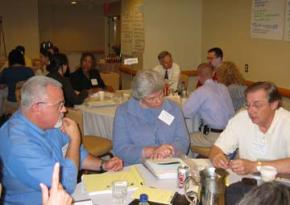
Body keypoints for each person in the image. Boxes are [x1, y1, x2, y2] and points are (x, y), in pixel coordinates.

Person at [0, 76, 123, 205]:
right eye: (60, 105)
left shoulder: (50, 124)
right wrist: (75, 139)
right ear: (37, 107)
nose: (64, 110)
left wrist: (102, 165)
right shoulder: (17, 144)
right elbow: (66, 184)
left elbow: (75, 154)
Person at [210, 82, 290, 175]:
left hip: (281, 184)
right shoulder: (241, 119)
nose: (250, 111)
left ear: (273, 104)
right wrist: (217, 157)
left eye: (257, 105)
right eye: (248, 105)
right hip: (248, 182)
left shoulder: (286, 122)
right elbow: (216, 149)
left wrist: (255, 166)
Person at [113, 70, 190, 165]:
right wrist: (151, 151)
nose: (158, 101)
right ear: (139, 97)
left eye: (161, 94)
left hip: (170, 164)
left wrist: (169, 150)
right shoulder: (124, 112)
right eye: (151, 98)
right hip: (137, 167)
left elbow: (183, 140)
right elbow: (120, 149)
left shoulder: (173, 108)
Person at [183, 63, 234, 147]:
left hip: (213, 137)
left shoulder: (200, 91)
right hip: (229, 134)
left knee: (183, 138)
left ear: (198, 77)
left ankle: (193, 159)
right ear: (213, 73)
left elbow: (185, 113)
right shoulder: (223, 88)